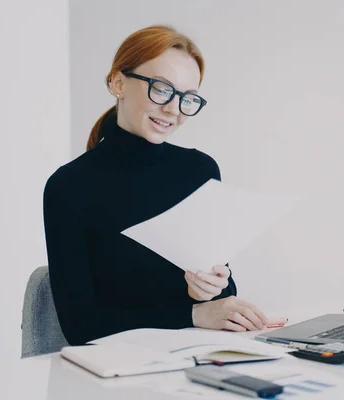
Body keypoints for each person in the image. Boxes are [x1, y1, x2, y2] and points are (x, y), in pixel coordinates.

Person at [43, 25, 269, 346]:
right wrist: (192, 313)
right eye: (162, 89)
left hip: (194, 358)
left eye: (187, 98)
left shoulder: (200, 170)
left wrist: (208, 290)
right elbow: (80, 326)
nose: (173, 109)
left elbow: (224, 294)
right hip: (116, 369)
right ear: (119, 83)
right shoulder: (69, 186)